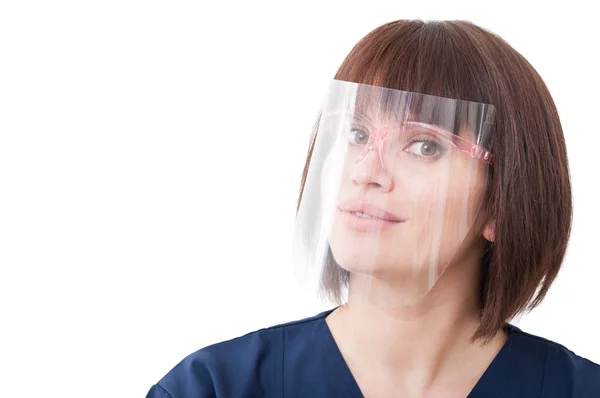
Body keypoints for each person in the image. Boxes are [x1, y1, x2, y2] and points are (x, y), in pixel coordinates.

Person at [145, 19, 600, 397]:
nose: (366, 171)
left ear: (502, 201)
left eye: (424, 145)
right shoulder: (214, 388)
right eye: (355, 134)